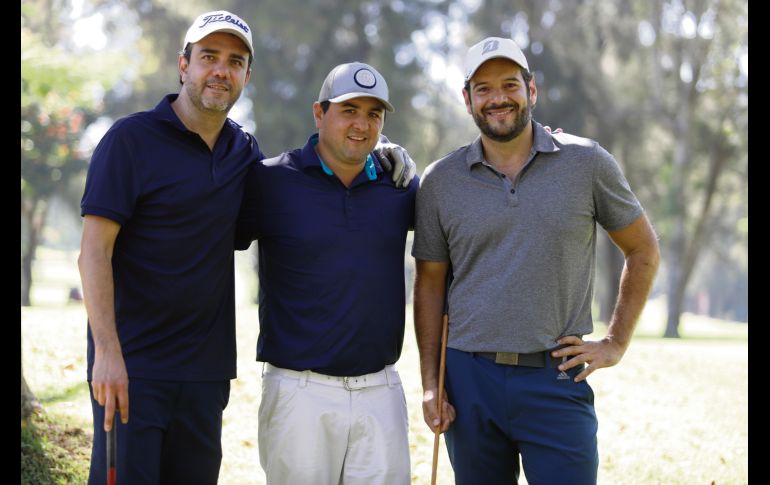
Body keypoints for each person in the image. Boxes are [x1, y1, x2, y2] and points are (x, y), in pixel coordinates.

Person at [78, 10, 415, 484]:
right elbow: (93, 252)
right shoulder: (129, 140)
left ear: (246, 76)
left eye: (235, 61)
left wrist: (381, 148)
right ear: (183, 64)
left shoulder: (244, 154)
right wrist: (107, 354)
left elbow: (323, 168)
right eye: (209, 57)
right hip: (134, 366)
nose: (221, 70)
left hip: (205, 373)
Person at [412, 36, 660, 485]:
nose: (498, 98)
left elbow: (642, 249)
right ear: (467, 99)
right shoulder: (440, 181)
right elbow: (429, 283)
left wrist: (615, 342)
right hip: (468, 380)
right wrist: (432, 384)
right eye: (483, 89)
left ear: (531, 90)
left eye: (510, 84)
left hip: (556, 378)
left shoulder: (586, 163)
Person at [235, 61, 417, 485]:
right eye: (349, 110)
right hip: (298, 392)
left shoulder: (400, 185)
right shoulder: (270, 180)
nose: (362, 124)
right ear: (319, 113)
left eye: (374, 114)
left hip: (381, 392)